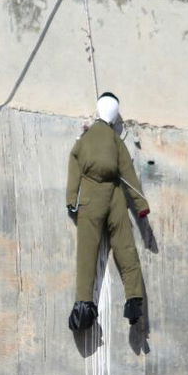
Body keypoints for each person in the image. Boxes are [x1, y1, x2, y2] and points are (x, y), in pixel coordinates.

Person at [66, 92, 150, 331]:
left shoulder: (83, 140)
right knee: (125, 247)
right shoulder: (117, 142)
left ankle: (83, 307)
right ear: (113, 117)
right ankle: (134, 300)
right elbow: (130, 177)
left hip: (91, 194)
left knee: (87, 251)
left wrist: (71, 199)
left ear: (97, 111)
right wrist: (141, 206)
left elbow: (74, 168)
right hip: (114, 194)